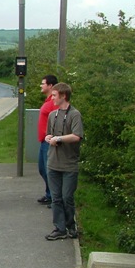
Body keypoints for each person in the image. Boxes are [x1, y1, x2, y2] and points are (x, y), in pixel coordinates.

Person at [44, 82, 84, 241]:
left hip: (69, 164)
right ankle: (59, 228)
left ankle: (71, 226)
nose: (52, 98)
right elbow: (49, 134)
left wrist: (59, 138)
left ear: (63, 96)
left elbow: (76, 136)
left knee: (67, 197)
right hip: (53, 162)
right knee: (56, 198)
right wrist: (49, 138)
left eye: (54, 95)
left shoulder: (75, 115)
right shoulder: (52, 115)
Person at [37, 74, 58, 206]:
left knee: (48, 170)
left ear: (50, 86)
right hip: (43, 140)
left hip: (48, 141)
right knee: (42, 169)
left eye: (43, 83)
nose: (41, 85)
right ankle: (49, 193)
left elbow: (58, 120)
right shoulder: (47, 101)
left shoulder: (53, 103)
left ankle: (54, 198)